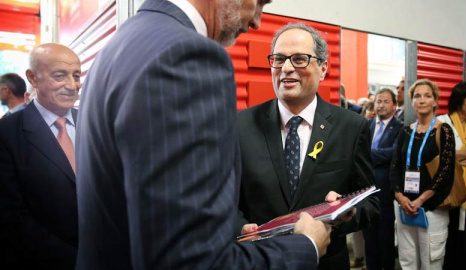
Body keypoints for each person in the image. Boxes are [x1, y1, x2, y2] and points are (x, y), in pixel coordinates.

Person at [75, 1, 331, 269]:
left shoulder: (122, 44)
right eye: (259, 2)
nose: (257, 21)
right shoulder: (186, 55)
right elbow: (195, 261)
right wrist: (305, 246)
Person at [236, 22, 380, 270]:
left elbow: (371, 204)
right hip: (260, 260)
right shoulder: (240, 125)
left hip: (325, 262)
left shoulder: (351, 127)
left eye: (300, 59)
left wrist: (348, 212)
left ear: (323, 68)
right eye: (279, 59)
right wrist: (238, 225)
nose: (287, 68)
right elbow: (224, 201)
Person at [0, 43, 80, 269]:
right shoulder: (7, 134)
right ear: (32, 78)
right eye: (59, 75)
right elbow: (11, 217)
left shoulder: (95, 124)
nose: (72, 85)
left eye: (76, 75)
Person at [390, 79, 455, 270]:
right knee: (407, 260)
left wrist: (420, 200)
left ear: (435, 101)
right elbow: (395, 167)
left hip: (431, 208)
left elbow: (445, 171)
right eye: (417, 96)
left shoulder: (443, 131)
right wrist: (400, 196)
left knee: (431, 262)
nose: (422, 100)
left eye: (427, 95)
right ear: (412, 101)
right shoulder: (405, 132)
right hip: (404, 206)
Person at [437, 81, 466, 270]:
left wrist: (455, 157)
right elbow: (439, 157)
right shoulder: (442, 122)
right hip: (449, 192)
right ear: (460, 101)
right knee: (450, 237)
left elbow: (449, 156)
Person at [363, 88, 403, 270]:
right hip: (365, 190)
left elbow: (393, 153)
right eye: (379, 101)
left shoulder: (400, 127)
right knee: (368, 237)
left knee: (385, 236)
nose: (381, 105)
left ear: (394, 105)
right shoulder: (367, 125)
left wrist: (367, 154)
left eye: (386, 101)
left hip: (386, 189)